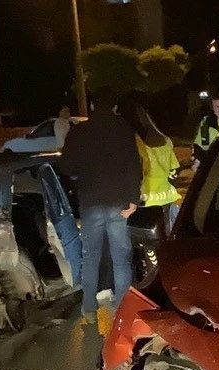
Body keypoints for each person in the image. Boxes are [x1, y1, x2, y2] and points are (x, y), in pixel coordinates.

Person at [58, 91, 142, 335]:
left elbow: (66, 166)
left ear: (92, 106)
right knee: (121, 257)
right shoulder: (124, 129)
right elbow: (134, 165)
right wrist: (133, 200)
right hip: (119, 202)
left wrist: (79, 175)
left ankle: (89, 308)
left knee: (91, 256)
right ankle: (122, 309)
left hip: (90, 202)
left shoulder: (79, 132)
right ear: (114, 107)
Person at [119, 96, 181, 234]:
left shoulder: (132, 144)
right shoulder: (165, 140)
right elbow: (174, 170)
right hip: (166, 198)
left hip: (143, 201)